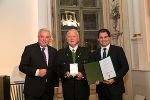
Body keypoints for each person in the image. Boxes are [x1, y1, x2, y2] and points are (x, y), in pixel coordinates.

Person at [19, 28, 59, 100]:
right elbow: (22, 67)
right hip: (32, 91)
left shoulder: (53, 51)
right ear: (38, 37)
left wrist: (56, 86)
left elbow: (55, 71)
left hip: (48, 91)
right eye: (42, 36)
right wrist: (37, 72)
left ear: (50, 39)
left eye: (47, 37)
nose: (44, 39)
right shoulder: (29, 49)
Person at [55, 29, 93, 100]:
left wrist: (83, 75)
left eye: (74, 36)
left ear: (78, 39)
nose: (71, 38)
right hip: (68, 91)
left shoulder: (86, 51)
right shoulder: (60, 53)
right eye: (69, 36)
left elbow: (91, 69)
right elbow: (57, 69)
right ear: (67, 39)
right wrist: (65, 73)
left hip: (83, 90)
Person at [93, 29, 129, 100]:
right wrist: (95, 78)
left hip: (115, 88)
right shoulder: (95, 53)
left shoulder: (118, 50)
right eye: (101, 37)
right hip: (101, 90)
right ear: (98, 39)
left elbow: (125, 67)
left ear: (109, 37)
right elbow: (94, 69)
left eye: (105, 37)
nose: (103, 39)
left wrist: (114, 79)